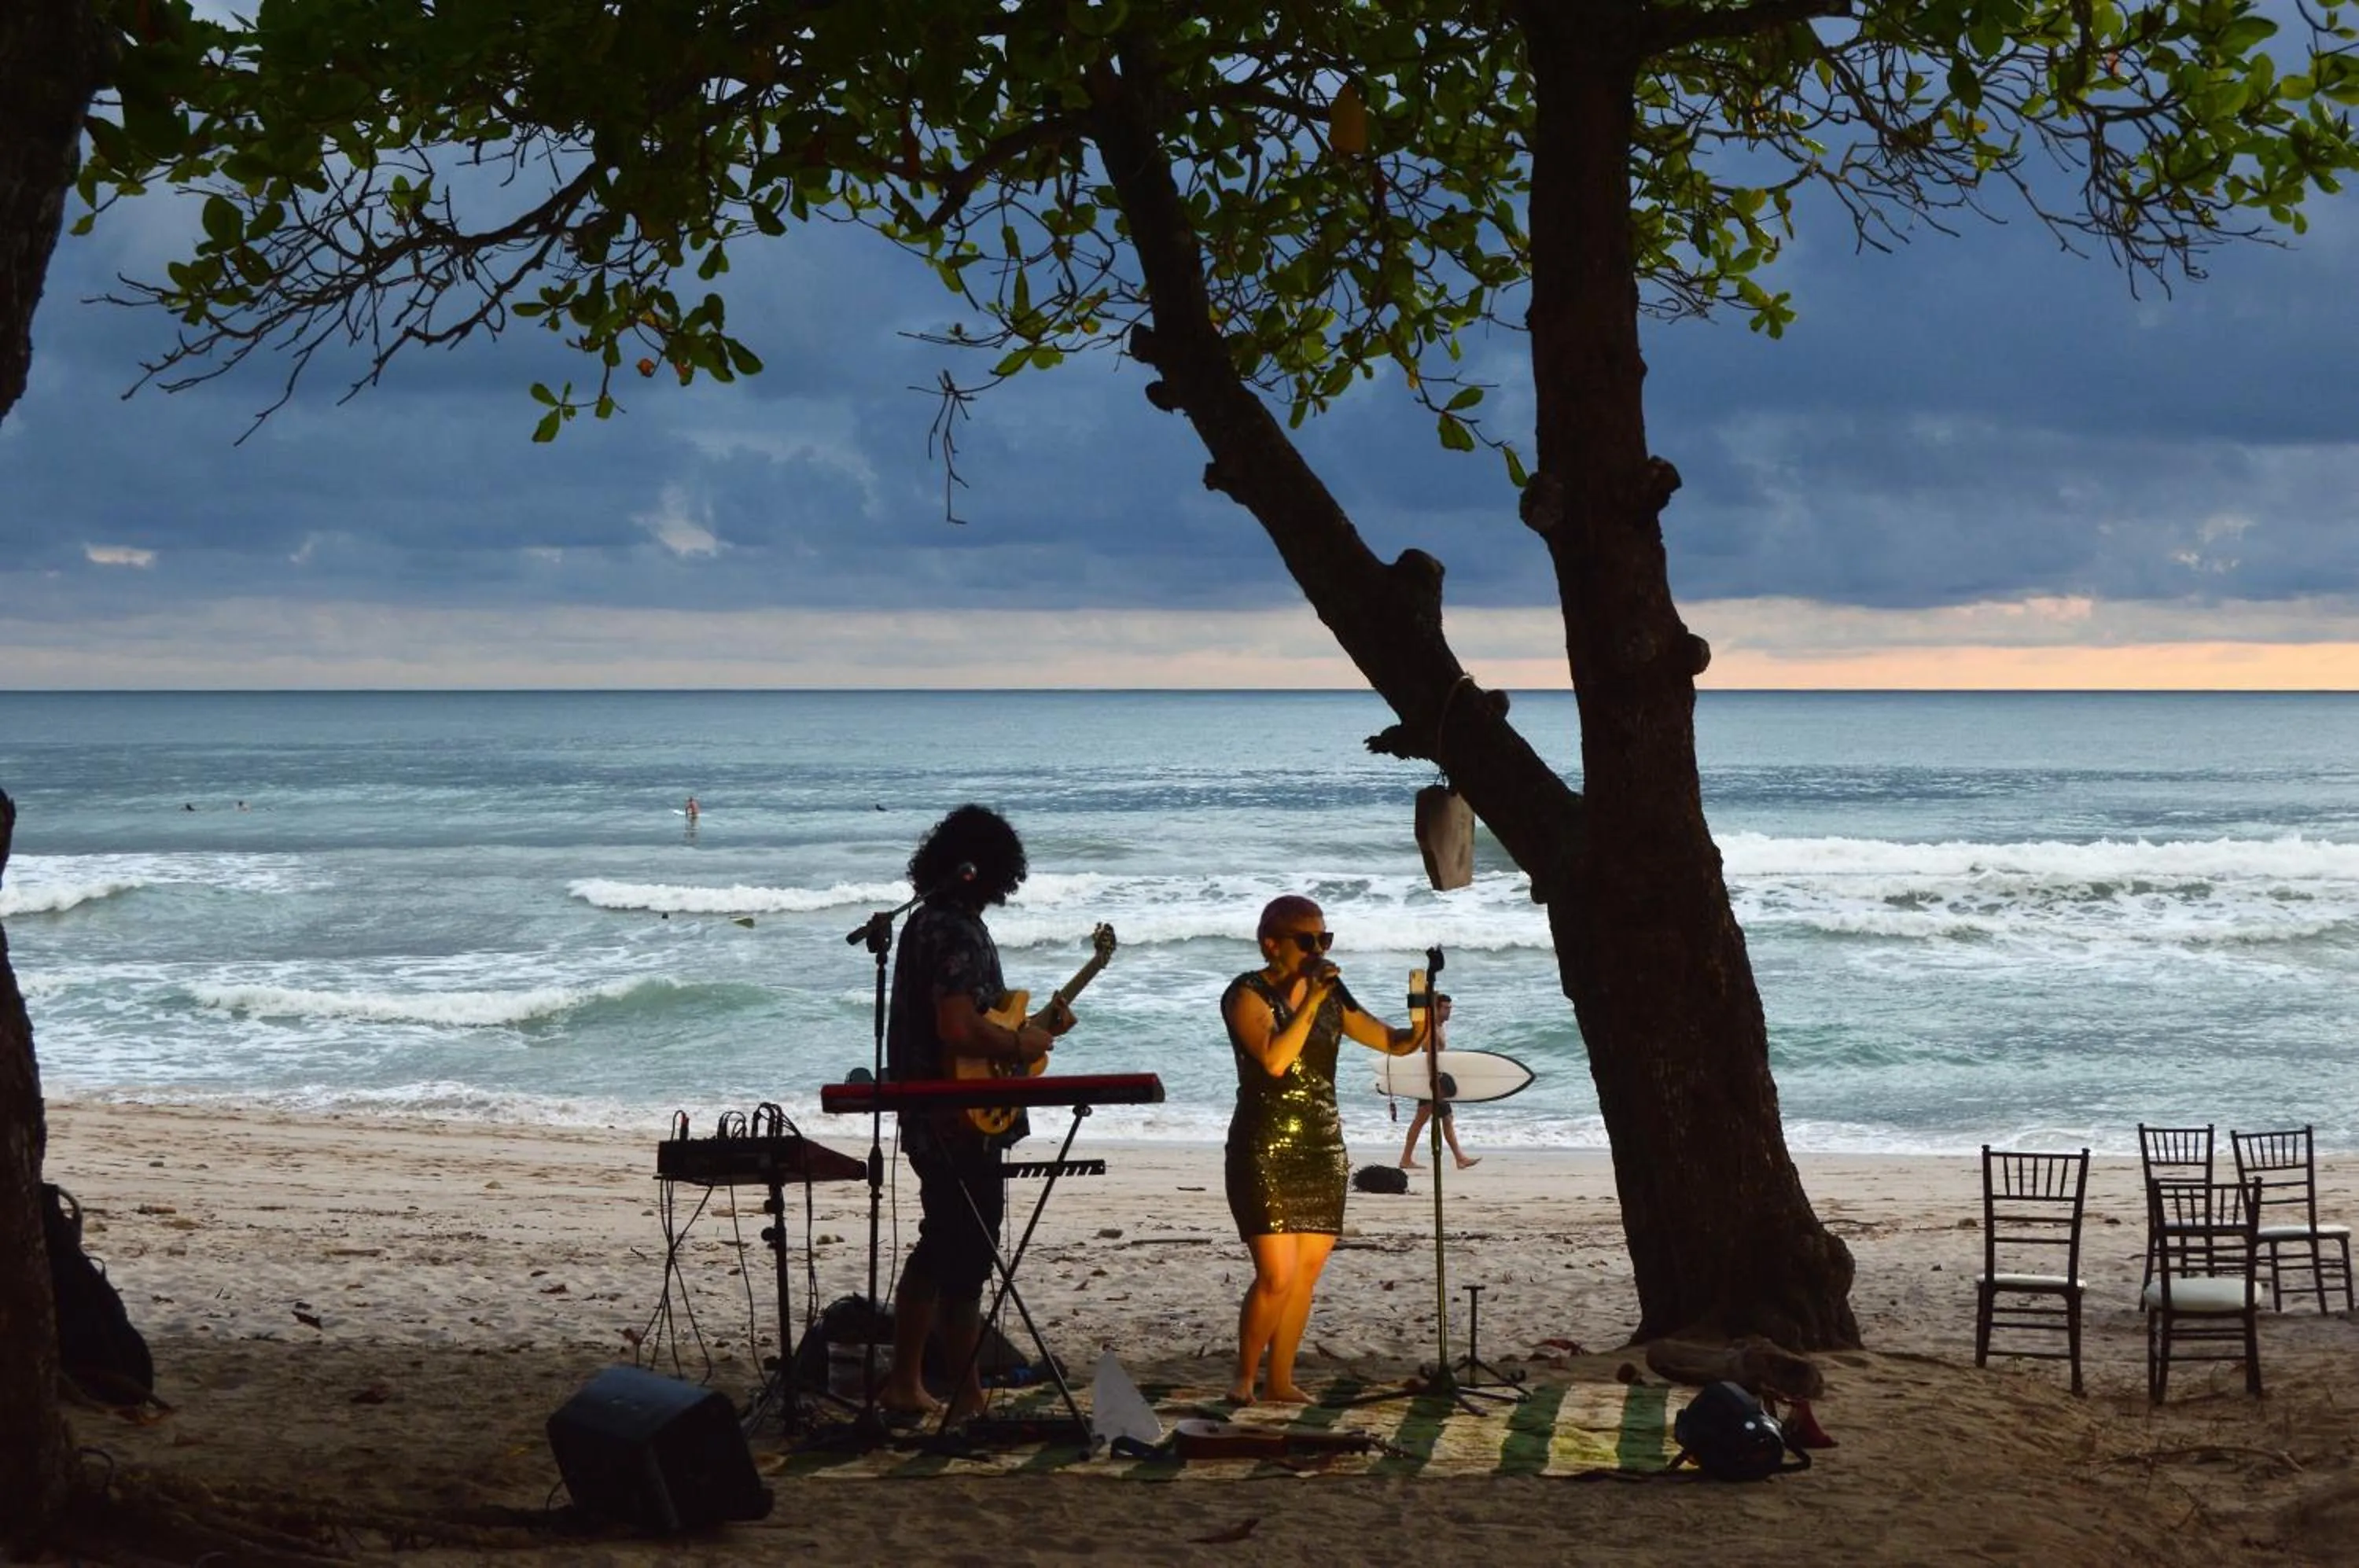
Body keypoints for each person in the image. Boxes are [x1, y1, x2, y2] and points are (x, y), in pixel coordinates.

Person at [878, 804, 1073, 1423]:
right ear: (991, 871)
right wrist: (1021, 1045)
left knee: (937, 1245)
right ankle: (966, 1399)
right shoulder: (957, 932)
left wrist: (1030, 1030)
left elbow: (963, 1025)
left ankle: (906, 1383)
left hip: (930, 1111)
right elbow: (958, 1028)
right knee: (967, 1257)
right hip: (958, 1120)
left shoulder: (927, 925)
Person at [1221, 893, 1428, 1405]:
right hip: (1264, 1142)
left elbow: (1394, 1042)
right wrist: (1312, 1000)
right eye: (1306, 940)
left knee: (1306, 1273)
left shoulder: (1333, 995)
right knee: (1275, 1273)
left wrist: (1423, 1015)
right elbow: (1274, 1060)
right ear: (1272, 944)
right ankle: (1244, 1379)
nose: (1317, 949)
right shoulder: (1246, 994)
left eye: (1324, 939)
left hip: (1322, 1143)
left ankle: (1281, 1381)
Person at [1398, 993, 1479, 1170]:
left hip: (1434, 1081)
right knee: (1434, 1118)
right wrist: (1435, 1083)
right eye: (1445, 1008)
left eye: (1450, 1008)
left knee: (1433, 1118)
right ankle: (1458, 1158)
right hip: (1434, 1082)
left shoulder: (1439, 1026)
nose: (1449, 1011)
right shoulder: (1432, 1030)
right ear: (1436, 1009)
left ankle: (1408, 1158)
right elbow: (1430, 1057)